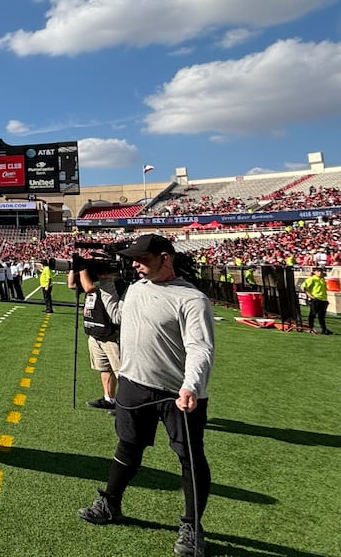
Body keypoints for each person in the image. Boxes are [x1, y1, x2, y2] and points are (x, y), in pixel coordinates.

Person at [78, 234, 214, 557]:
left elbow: (201, 348)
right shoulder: (137, 289)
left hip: (177, 392)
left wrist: (191, 385)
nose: (135, 264)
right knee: (128, 446)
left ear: (165, 258)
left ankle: (192, 526)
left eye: (141, 259)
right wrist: (104, 288)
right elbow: (124, 317)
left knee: (189, 457)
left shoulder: (192, 300)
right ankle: (111, 503)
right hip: (135, 384)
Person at [69, 262, 124, 411]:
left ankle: (127, 405)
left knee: (121, 372)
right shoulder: (91, 279)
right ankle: (109, 399)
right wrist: (74, 266)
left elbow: (88, 288)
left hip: (111, 334)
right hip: (95, 332)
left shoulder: (113, 283)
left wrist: (83, 268)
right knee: (105, 368)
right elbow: (71, 284)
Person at [301, 266, 333, 335]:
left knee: (322, 316)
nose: (320, 272)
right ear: (314, 272)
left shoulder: (322, 279)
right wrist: (310, 296)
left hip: (323, 299)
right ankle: (310, 328)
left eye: (321, 271)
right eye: (318, 271)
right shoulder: (312, 279)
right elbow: (303, 287)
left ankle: (324, 329)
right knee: (313, 314)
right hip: (316, 299)